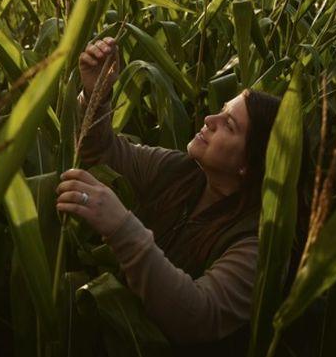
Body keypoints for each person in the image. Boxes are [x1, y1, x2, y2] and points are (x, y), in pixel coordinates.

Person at [55, 37, 310, 356]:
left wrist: (121, 227)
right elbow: (102, 153)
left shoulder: (260, 243)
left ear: (250, 164)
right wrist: (97, 94)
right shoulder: (181, 170)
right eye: (220, 111)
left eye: (227, 125)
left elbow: (198, 315)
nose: (209, 120)